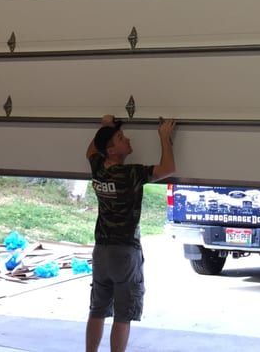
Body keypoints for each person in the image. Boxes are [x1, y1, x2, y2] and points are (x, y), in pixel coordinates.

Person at [85, 114, 176, 352]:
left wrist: (107, 127)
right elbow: (168, 169)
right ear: (112, 151)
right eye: (121, 138)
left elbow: (91, 151)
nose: (127, 139)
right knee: (123, 315)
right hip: (125, 253)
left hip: (101, 251)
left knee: (97, 310)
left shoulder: (98, 168)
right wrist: (165, 138)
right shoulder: (130, 174)